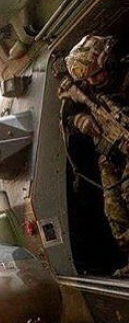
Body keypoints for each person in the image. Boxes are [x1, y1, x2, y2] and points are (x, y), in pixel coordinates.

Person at [61, 35, 129, 275]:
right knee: (114, 210)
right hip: (110, 156)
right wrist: (79, 121)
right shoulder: (86, 87)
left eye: (97, 74)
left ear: (108, 61)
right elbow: (67, 114)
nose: (93, 81)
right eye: (87, 78)